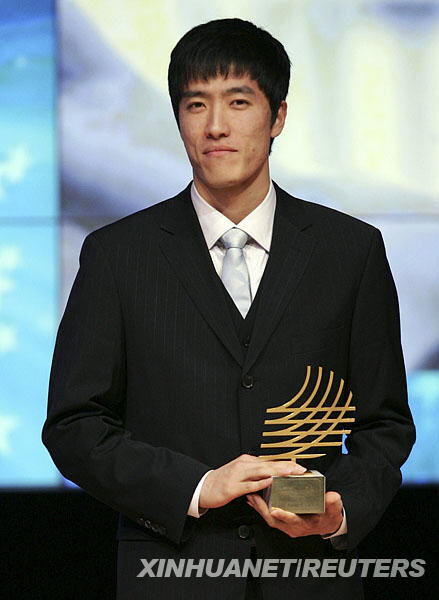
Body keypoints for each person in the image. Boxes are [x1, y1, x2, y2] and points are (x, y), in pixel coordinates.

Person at [42, 18, 415, 600]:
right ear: (179, 120)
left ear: (278, 117)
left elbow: (384, 424)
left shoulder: (351, 251)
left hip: (310, 577)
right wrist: (198, 484)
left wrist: (340, 509)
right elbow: (74, 426)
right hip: (170, 577)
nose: (216, 125)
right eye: (196, 104)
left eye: (238, 101)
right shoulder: (118, 255)